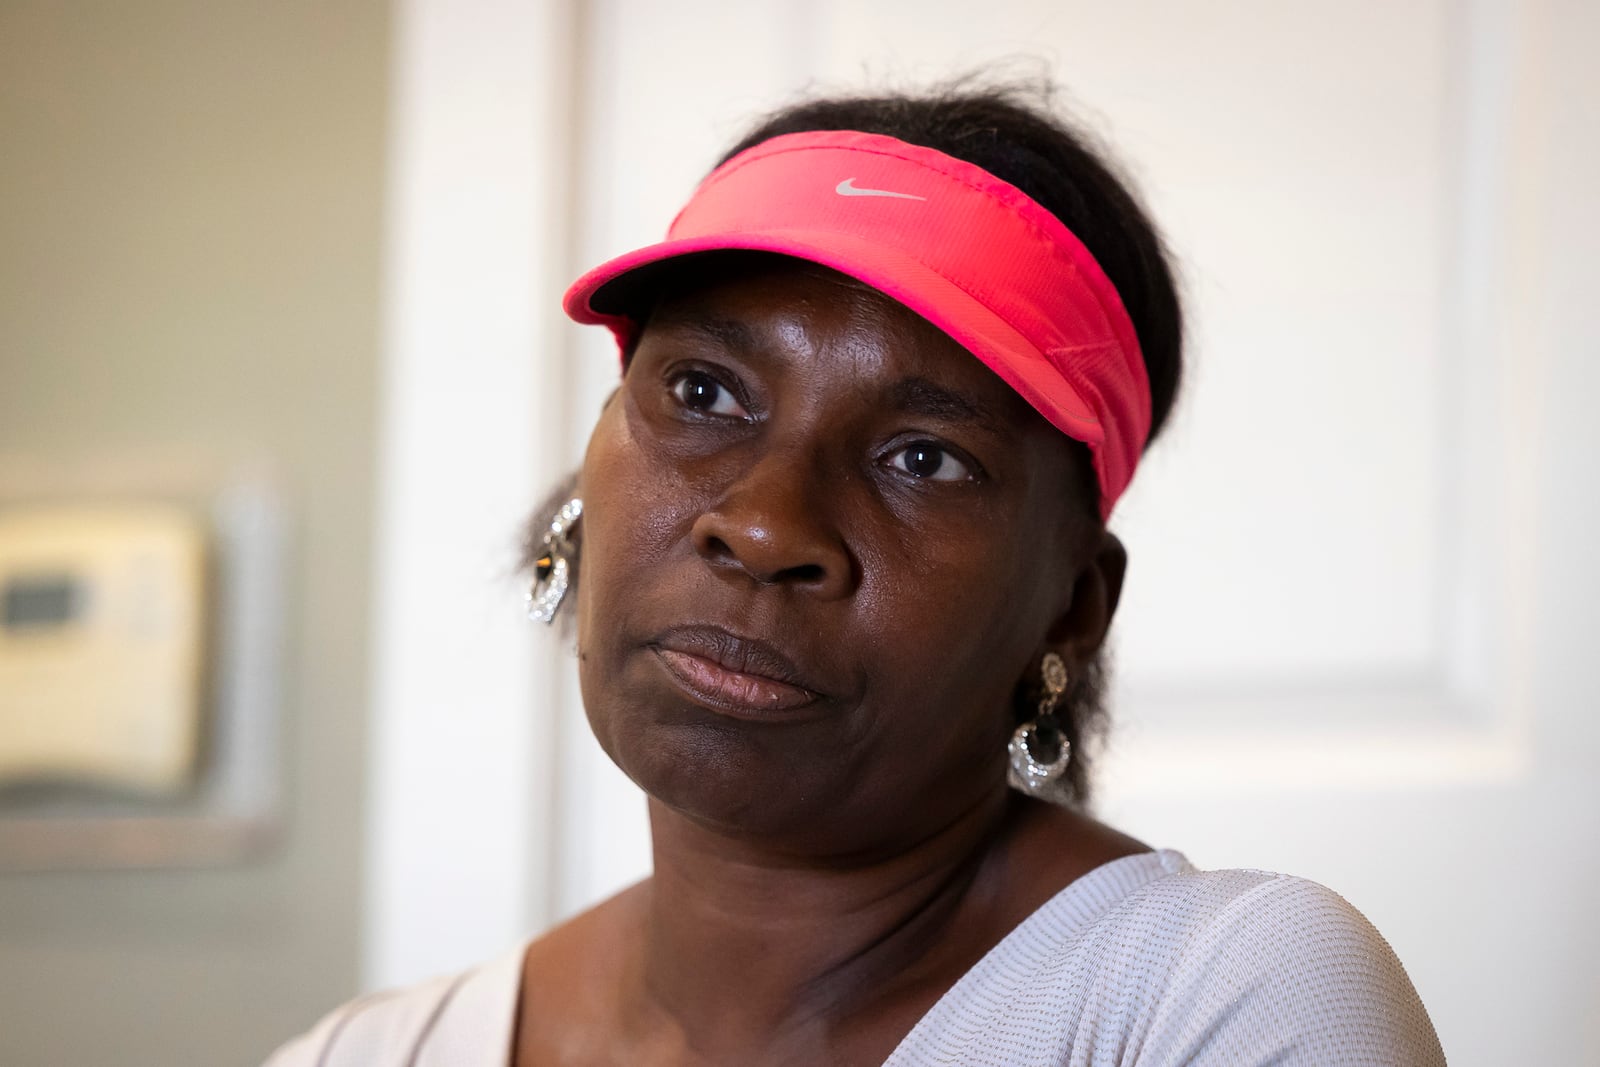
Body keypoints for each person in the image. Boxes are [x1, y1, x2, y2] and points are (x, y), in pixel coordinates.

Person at [266, 81, 1446, 1065]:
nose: (767, 525)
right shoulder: (369, 1052)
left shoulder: (1221, 1000)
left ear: (1073, 604)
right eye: (703, 392)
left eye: (923, 457)